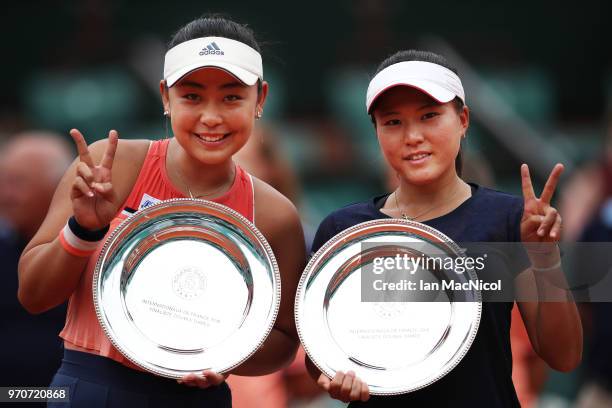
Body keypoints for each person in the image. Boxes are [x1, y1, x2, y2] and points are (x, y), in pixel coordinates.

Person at [17, 15, 305, 407]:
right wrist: (82, 230)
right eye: (192, 96)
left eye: (232, 96)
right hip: (88, 389)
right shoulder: (111, 164)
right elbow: (33, 296)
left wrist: (226, 355)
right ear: (165, 97)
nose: (211, 116)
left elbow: (284, 344)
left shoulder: (275, 214)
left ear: (261, 99)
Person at [306, 50, 583, 406]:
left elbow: (564, 357)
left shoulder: (510, 219)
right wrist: (334, 378)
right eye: (393, 122)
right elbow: (320, 357)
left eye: (430, 116)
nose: (413, 136)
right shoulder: (343, 229)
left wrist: (545, 259)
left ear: (463, 120)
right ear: (375, 131)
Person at [0, 132, 72, 393]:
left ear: (58, 189)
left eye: (19, 183)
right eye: (3, 181)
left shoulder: (87, 254)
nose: (7, 195)